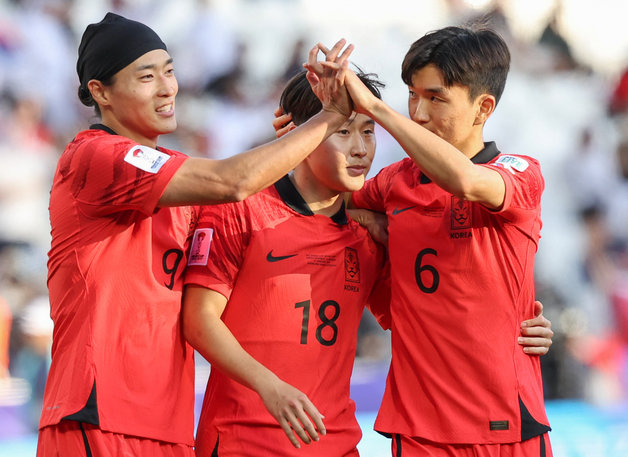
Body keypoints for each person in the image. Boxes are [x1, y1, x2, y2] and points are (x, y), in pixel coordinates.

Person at [183, 66, 554, 455]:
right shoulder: (240, 212)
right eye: (343, 131)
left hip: (338, 444)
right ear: (299, 133)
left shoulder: (368, 239)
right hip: (243, 441)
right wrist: (270, 387)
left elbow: (426, 315)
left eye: (368, 131)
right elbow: (198, 320)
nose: (360, 148)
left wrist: (516, 320)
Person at [36, 12, 354, 457]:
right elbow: (233, 182)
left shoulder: (173, 171)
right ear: (100, 92)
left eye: (169, 71)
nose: (168, 88)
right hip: (98, 414)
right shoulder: (94, 155)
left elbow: (251, 194)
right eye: (146, 76)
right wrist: (326, 118)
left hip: (167, 423)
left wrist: (318, 168)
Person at [308, 25, 554, 456]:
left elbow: (463, 179)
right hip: (420, 429)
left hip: (504, 425)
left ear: (483, 108)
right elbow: (324, 201)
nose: (418, 113)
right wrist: (299, 139)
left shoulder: (519, 173)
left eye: (435, 98)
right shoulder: (395, 182)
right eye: (412, 95)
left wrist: (377, 110)